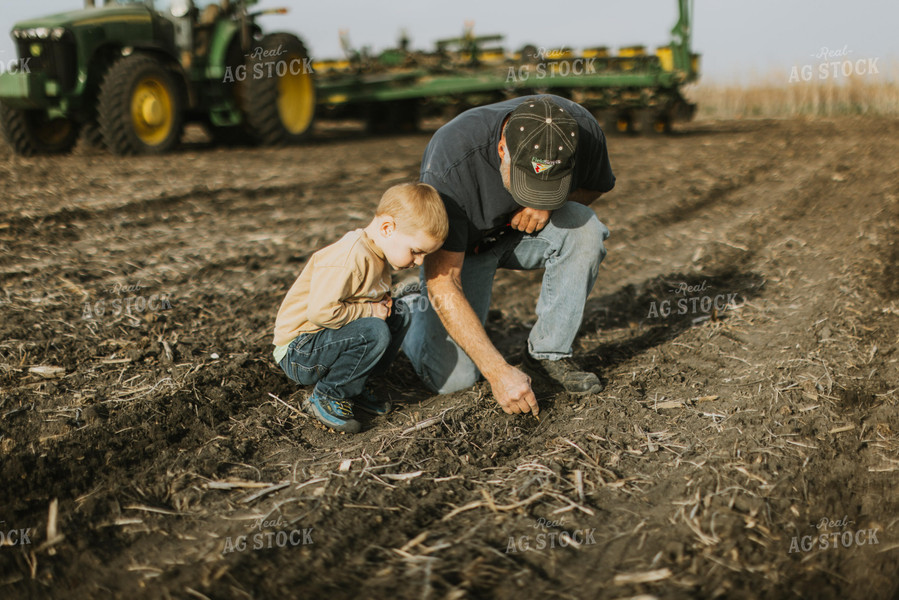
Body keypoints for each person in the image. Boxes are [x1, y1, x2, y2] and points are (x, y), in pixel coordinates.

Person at [402, 94, 615, 417]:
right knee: (453, 381)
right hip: (466, 251)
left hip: (522, 234)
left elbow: (595, 187)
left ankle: (549, 353)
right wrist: (498, 371)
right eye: (527, 182)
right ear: (503, 150)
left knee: (585, 229)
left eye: (549, 182)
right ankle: (408, 309)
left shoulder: (580, 130)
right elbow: (445, 282)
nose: (536, 190)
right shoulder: (453, 162)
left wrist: (544, 202)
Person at [273, 183, 448, 433]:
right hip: (300, 351)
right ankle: (329, 393)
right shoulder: (349, 258)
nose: (418, 262)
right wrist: (370, 312)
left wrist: (381, 304)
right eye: (416, 252)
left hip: (323, 340)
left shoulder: (378, 253)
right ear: (388, 228)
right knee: (375, 331)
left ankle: (361, 381)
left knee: (400, 313)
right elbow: (320, 313)